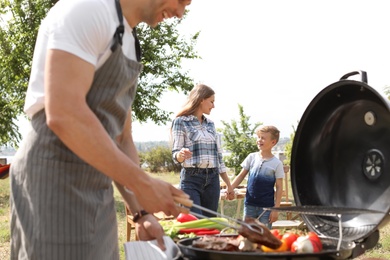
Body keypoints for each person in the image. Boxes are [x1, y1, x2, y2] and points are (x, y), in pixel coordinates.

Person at [10, 0, 192, 259]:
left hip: (97, 190)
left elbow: (121, 136)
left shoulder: (129, 39)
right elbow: (65, 113)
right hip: (52, 181)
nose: (180, 13)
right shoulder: (86, 9)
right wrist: (142, 183)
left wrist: (141, 213)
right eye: (182, 1)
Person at [171, 84, 234, 217]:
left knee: (210, 222)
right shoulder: (180, 122)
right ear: (201, 100)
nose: (213, 106)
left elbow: (218, 156)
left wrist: (229, 184)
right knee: (195, 221)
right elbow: (175, 154)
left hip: (212, 179)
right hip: (191, 179)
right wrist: (181, 155)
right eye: (211, 101)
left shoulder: (210, 124)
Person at [230, 125, 284, 228]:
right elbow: (241, 175)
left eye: (263, 138)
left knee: (264, 236)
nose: (259, 140)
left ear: (273, 142)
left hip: (266, 208)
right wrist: (230, 188)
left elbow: (279, 187)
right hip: (249, 204)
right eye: (258, 137)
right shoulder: (251, 157)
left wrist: (276, 209)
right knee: (247, 234)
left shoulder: (277, 164)